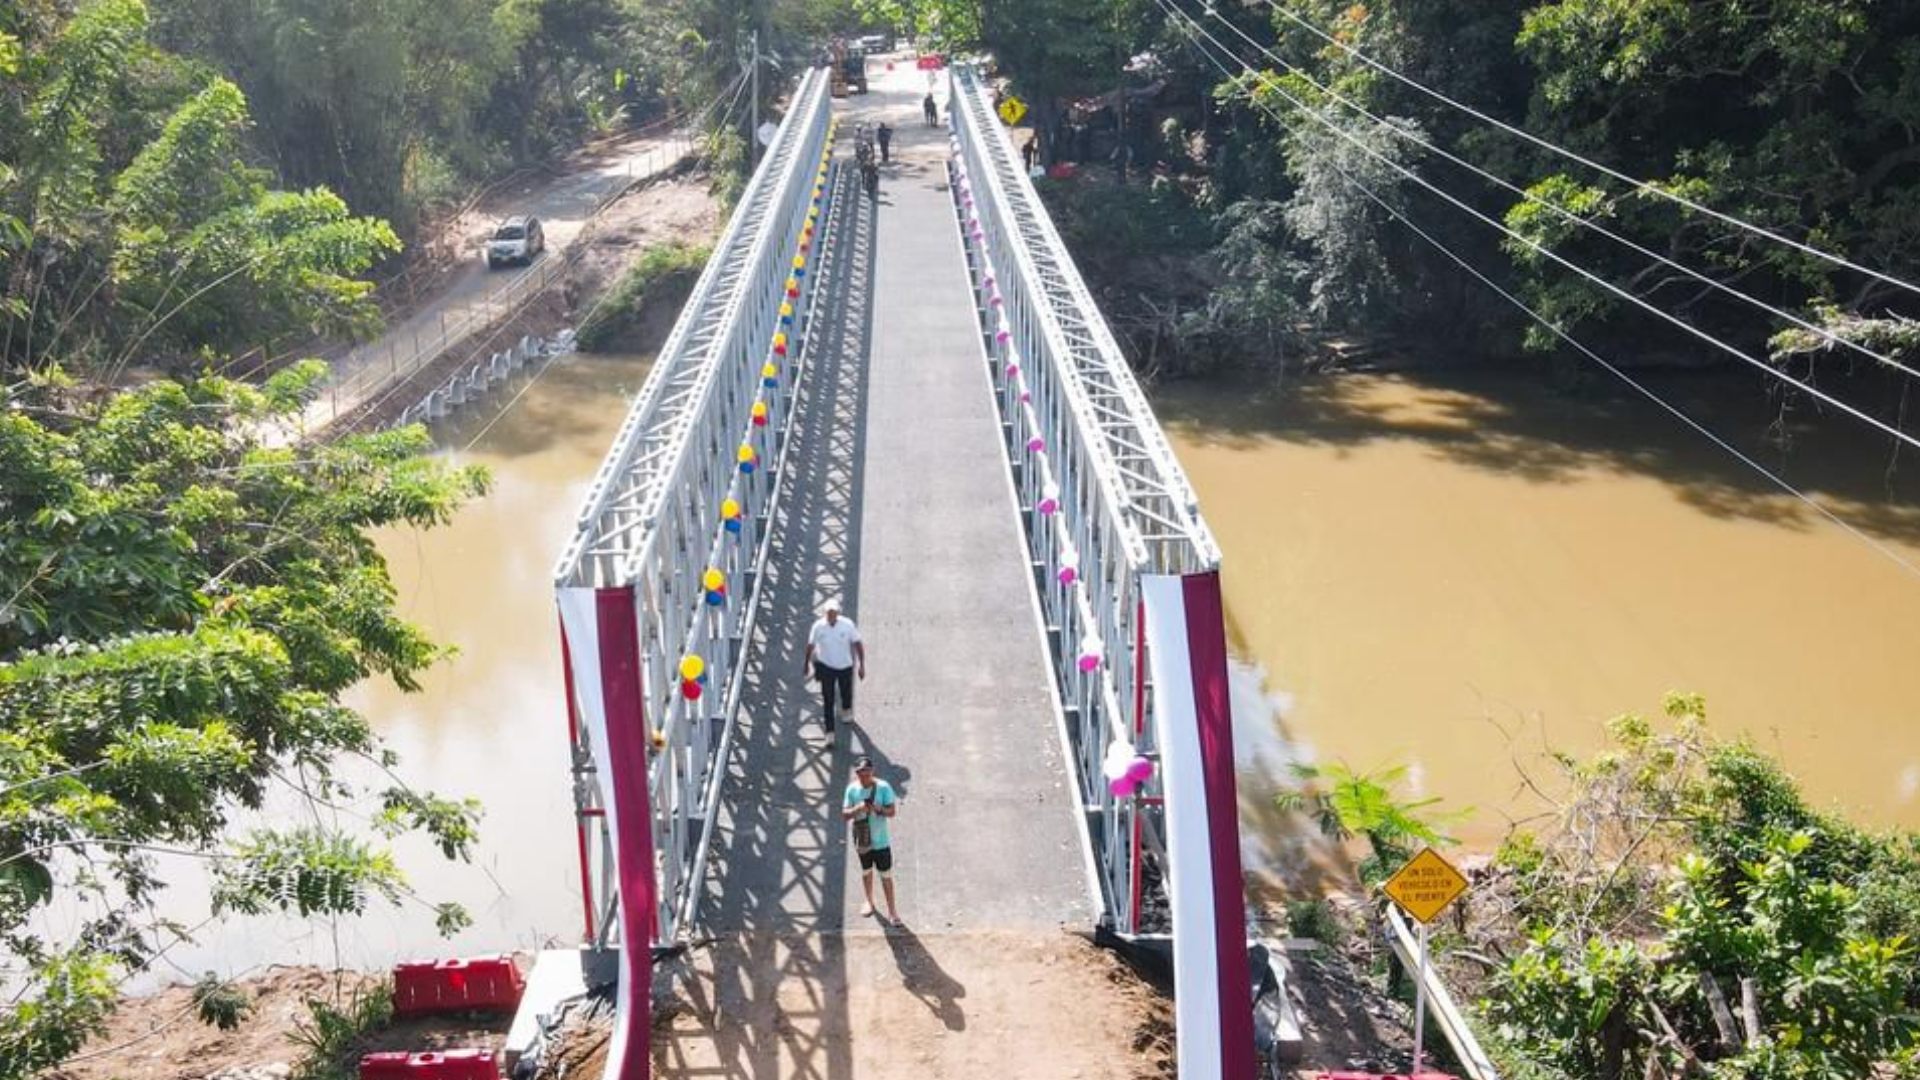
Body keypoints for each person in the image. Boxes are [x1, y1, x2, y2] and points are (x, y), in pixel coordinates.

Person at [841, 756, 900, 923]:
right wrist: (858, 808)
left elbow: (892, 812)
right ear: (856, 773)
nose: (864, 776)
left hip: (881, 841)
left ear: (872, 771)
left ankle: (892, 911)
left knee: (886, 875)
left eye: (866, 772)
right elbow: (845, 815)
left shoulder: (883, 787)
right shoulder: (852, 789)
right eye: (860, 772)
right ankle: (869, 901)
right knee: (866, 871)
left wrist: (877, 809)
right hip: (863, 840)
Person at [804, 597, 864, 733]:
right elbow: (810, 645)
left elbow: (858, 644)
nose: (831, 616)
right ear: (824, 613)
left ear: (838, 613)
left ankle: (846, 710)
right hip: (826, 667)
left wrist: (861, 665)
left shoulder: (847, 625)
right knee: (828, 699)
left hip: (845, 666)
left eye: (833, 613)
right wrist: (806, 663)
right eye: (828, 613)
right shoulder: (818, 627)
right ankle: (829, 732)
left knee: (846, 693)